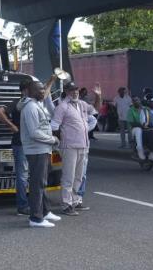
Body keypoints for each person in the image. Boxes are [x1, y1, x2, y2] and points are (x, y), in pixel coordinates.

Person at [0, 75, 57, 216]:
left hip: (31, 145)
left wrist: (51, 80)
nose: (40, 91)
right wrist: (12, 126)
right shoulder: (21, 103)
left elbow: (44, 93)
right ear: (26, 90)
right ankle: (23, 206)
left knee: (36, 177)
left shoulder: (33, 102)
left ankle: (40, 208)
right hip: (22, 144)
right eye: (35, 88)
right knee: (24, 176)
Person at [19, 81, 61, 228]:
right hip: (37, 150)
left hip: (42, 149)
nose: (43, 92)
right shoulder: (30, 107)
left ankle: (45, 211)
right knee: (37, 184)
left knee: (42, 182)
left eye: (43, 89)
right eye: (39, 90)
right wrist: (52, 139)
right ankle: (36, 218)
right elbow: (34, 132)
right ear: (30, 91)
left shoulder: (36, 104)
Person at [51, 82, 95, 216]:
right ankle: (66, 204)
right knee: (68, 177)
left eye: (76, 90)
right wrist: (60, 141)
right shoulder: (62, 107)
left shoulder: (82, 104)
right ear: (66, 91)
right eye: (72, 90)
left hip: (83, 145)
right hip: (69, 146)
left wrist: (99, 96)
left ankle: (75, 201)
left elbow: (95, 110)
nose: (75, 92)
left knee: (79, 176)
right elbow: (54, 126)